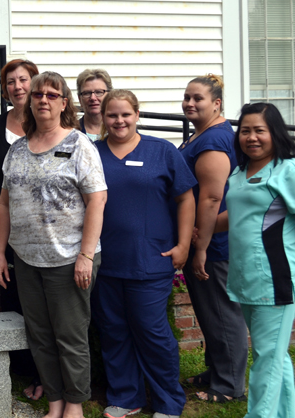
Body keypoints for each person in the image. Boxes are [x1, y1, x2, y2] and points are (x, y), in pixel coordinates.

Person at [0, 71, 107, 418]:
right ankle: (55, 399)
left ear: (63, 103)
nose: (43, 99)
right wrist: (0, 253)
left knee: (70, 337)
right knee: (40, 335)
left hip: (69, 258)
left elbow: (98, 201)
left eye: (51, 95)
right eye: (38, 93)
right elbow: (4, 204)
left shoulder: (78, 145)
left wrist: (86, 255)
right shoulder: (17, 149)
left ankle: (74, 404)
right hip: (27, 258)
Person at [92, 90, 195, 418]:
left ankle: (168, 402)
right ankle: (126, 397)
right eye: (112, 115)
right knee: (113, 330)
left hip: (149, 260)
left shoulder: (161, 151)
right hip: (105, 261)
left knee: (152, 331)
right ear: (103, 118)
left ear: (137, 115)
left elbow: (186, 199)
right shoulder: (92, 153)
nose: (119, 121)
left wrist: (183, 245)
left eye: (125, 114)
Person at [213, 103, 295, 418]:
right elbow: (235, 216)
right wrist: (192, 229)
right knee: (274, 356)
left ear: (274, 133)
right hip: (246, 278)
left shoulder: (288, 170)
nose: (251, 137)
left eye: (259, 131)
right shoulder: (240, 172)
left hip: (277, 278)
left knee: (267, 357)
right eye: (245, 131)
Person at [179, 74, 248, 403]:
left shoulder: (213, 141)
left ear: (217, 104)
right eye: (187, 97)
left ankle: (229, 386)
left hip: (214, 246)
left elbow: (210, 198)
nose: (190, 103)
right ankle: (217, 370)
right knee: (210, 312)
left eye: (198, 98)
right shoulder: (202, 135)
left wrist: (202, 247)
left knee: (222, 312)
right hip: (202, 241)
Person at [0, 58, 43, 401]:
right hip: (9, 229)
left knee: (43, 306)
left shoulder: (46, 120)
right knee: (13, 300)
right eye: (10, 83)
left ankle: (44, 375)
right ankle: (22, 370)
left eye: (23, 80)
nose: (17, 87)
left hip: (45, 229)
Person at [75, 69, 113, 141]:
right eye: (87, 93)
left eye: (99, 92)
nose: (93, 98)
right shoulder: (70, 133)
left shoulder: (121, 129)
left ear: (110, 96)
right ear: (80, 99)